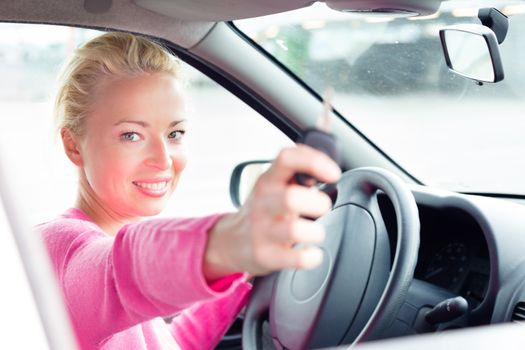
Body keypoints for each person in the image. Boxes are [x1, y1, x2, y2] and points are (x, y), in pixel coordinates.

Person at [38, 32, 341, 350]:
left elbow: (170, 344)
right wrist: (230, 240)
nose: (163, 159)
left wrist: (243, 267)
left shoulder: (110, 272)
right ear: (74, 146)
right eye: (131, 135)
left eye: (175, 133)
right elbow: (124, 268)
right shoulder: (58, 249)